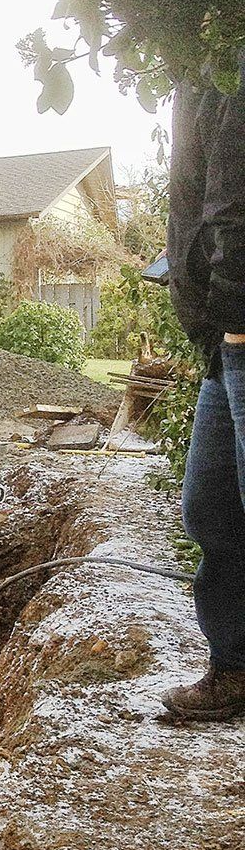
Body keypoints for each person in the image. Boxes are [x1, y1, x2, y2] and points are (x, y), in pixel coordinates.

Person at [162, 67, 245, 722]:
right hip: (224, 326)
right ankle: (236, 669)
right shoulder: (195, 60)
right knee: (210, 506)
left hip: (242, 310)